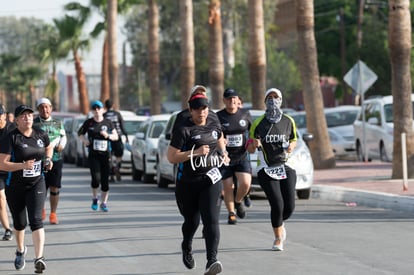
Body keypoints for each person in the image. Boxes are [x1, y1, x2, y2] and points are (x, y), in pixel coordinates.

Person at [168, 92, 228, 275]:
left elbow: (219, 136)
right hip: (188, 182)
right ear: (191, 110)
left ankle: (212, 261)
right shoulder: (183, 129)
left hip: (211, 179)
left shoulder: (214, 119)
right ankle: (187, 245)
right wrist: (195, 153)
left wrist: (223, 153)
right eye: (197, 109)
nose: (201, 113)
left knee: (211, 220)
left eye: (204, 108)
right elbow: (171, 157)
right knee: (192, 222)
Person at [0, 104, 53, 273]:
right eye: (23, 116)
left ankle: (39, 258)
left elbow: (48, 146)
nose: (27, 118)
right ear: (16, 120)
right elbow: (2, 164)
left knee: (36, 219)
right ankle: (21, 249)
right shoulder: (10, 138)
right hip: (14, 186)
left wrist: (48, 160)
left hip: (37, 183)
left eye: (30, 115)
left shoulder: (40, 134)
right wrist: (22, 166)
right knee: (20, 223)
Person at [247, 88, 297, 251]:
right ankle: (277, 238)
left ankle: (280, 224)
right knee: (277, 203)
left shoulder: (288, 120)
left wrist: (291, 146)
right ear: (265, 101)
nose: (273, 100)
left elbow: (294, 139)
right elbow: (250, 148)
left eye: (276, 97)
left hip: (284, 166)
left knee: (289, 206)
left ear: (281, 100)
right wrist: (254, 144)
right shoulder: (258, 123)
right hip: (266, 168)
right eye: (269, 97)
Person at [216, 88, 252, 225]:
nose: (232, 101)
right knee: (228, 186)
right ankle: (231, 213)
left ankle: (238, 201)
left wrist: (253, 142)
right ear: (224, 101)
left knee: (246, 183)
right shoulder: (219, 116)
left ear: (238, 100)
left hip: (241, 155)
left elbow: (253, 132)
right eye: (229, 98)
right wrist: (221, 143)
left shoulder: (245, 114)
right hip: (225, 157)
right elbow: (215, 135)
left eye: (234, 98)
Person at [78, 100, 118, 212]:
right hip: (93, 155)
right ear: (92, 111)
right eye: (94, 108)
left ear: (103, 110)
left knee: (105, 181)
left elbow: (116, 136)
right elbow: (79, 133)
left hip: (106, 155)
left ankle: (104, 203)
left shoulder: (108, 123)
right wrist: (85, 141)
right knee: (96, 179)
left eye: (98, 108)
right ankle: (95, 198)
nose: (96, 110)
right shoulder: (89, 122)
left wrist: (108, 135)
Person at [33, 98, 67, 225]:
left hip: (56, 159)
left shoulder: (58, 123)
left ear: (51, 108)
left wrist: (61, 145)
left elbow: (63, 137)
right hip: (39, 160)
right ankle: (41, 209)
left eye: (47, 107)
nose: (44, 110)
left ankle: (53, 213)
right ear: (38, 109)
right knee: (41, 187)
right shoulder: (34, 123)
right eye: (41, 107)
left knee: (55, 187)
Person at [103, 99, 129, 182]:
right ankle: (117, 166)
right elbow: (122, 126)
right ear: (112, 105)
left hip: (107, 138)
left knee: (108, 156)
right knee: (119, 155)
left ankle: (111, 173)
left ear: (105, 106)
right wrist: (126, 136)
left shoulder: (104, 115)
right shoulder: (118, 114)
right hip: (117, 137)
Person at [0, 104, 15, 241]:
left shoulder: (13, 129)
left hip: (13, 169)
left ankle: (18, 222)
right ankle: (7, 229)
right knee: (1, 199)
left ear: (4, 115)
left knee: (13, 199)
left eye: (0, 115)